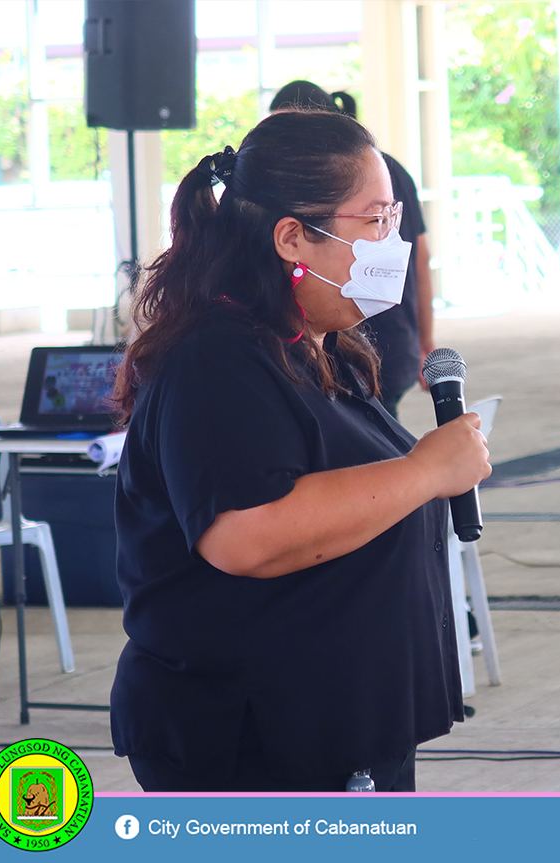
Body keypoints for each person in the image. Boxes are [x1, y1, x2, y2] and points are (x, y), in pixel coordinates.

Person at [108, 109, 491, 792]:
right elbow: (246, 533)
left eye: (395, 218)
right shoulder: (216, 360)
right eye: (374, 222)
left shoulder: (320, 345)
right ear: (293, 238)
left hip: (344, 728)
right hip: (255, 741)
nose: (393, 242)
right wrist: (424, 470)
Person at [270, 82, 435, 419]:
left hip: (386, 344)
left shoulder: (369, 170)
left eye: (387, 217)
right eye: (375, 219)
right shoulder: (243, 355)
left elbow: (420, 257)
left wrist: (425, 342)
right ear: (289, 239)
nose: (385, 238)